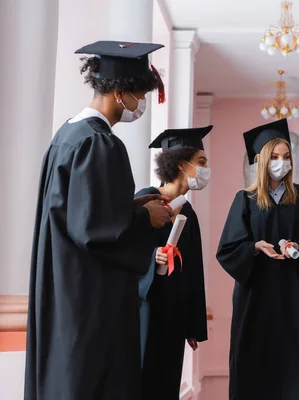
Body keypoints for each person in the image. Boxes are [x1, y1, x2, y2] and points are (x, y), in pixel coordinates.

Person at [25, 40, 172, 400]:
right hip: (90, 300)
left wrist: (135, 209)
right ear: (120, 92)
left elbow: (82, 213)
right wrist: (146, 220)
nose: (140, 105)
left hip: (63, 285)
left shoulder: (67, 136)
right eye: (139, 94)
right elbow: (95, 231)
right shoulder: (99, 143)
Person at [216, 119, 299, 400]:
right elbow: (228, 249)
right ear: (262, 160)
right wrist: (255, 247)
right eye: (275, 157)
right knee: (255, 370)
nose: (282, 163)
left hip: (295, 300)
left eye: (286, 157)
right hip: (256, 300)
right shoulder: (245, 199)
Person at [137, 127, 211, 399]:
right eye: (201, 162)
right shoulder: (143, 200)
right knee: (141, 380)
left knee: (167, 383)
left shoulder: (188, 212)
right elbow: (122, 251)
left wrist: (192, 325)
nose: (205, 170)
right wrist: (151, 255)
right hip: (144, 311)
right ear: (182, 163)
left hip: (174, 316)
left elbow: (193, 270)